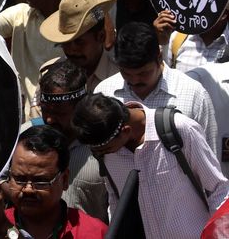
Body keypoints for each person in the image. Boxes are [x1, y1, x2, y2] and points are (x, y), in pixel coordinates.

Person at [72, 93, 229, 239]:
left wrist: (217, 235)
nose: (100, 154)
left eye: (105, 149)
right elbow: (116, 202)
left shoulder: (179, 129)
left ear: (126, 131)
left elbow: (219, 189)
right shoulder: (105, 151)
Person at [94, 21, 219, 153]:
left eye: (143, 73)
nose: (135, 80)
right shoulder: (104, 93)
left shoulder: (193, 94)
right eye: (126, 73)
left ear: (159, 58)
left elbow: (210, 154)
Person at [37, 61, 108, 222]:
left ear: (80, 106)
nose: (48, 119)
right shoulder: (26, 138)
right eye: (45, 109)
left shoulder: (106, 149)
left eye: (59, 113)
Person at [39, 0, 118, 92]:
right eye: (66, 43)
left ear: (101, 37)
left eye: (79, 42)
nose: (71, 50)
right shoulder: (48, 74)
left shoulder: (120, 78)